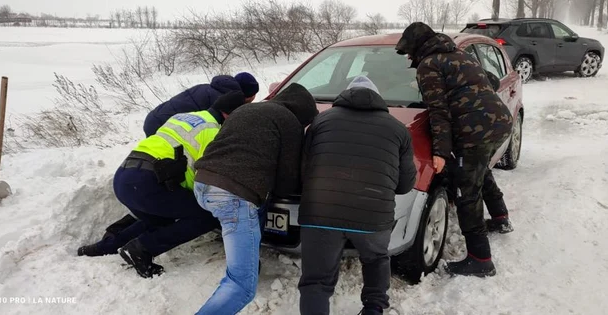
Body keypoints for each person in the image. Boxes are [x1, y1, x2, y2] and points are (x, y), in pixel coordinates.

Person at [76, 91, 249, 279]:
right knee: (207, 215)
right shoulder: (214, 132)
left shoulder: (184, 117)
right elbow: (208, 178)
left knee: (159, 219)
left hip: (124, 176)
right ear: (230, 115)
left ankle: (104, 248)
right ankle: (141, 250)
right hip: (149, 181)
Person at [395, 22, 514, 277]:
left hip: (475, 132)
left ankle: (480, 259)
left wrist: (439, 152)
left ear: (417, 47)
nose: (407, 56)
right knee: (478, 171)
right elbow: (489, 82)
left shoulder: (428, 66)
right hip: (500, 123)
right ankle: (501, 217)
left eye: (408, 51)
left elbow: (439, 112)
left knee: (466, 192)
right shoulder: (459, 55)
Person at [191, 83, 319, 315]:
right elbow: (287, 181)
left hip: (202, 183)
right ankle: (244, 273)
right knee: (242, 286)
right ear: (302, 114)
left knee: (257, 208)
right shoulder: (289, 121)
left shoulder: (246, 110)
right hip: (232, 196)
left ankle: (250, 263)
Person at [296, 76, 417, 315]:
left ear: (344, 96)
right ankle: (373, 307)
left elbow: (304, 170)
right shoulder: (398, 128)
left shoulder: (320, 121)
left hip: (320, 213)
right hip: (373, 215)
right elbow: (405, 184)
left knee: (315, 282)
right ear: (378, 98)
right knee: (376, 259)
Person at [102, 72, 260, 240]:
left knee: (161, 207)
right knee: (177, 202)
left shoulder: (208, 91)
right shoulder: (214, 117)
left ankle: (110, 243)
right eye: (249, 101)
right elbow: (206, 166)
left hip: (151, 141)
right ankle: (138, 246)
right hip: (164, 148)